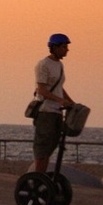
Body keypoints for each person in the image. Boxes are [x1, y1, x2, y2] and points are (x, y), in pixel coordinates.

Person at [31, 33, 75, 172]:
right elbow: (42, 90)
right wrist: (60, 100)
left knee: (51, 148)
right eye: (64, 46)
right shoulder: (43, 64)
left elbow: (59, 87)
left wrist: (71, 102)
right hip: (46, 112)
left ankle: (42, 178)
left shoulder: (59, 65)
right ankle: (37, 178)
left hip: (56, 112)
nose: (67, 49)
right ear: (54, 47)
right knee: (42, 149)